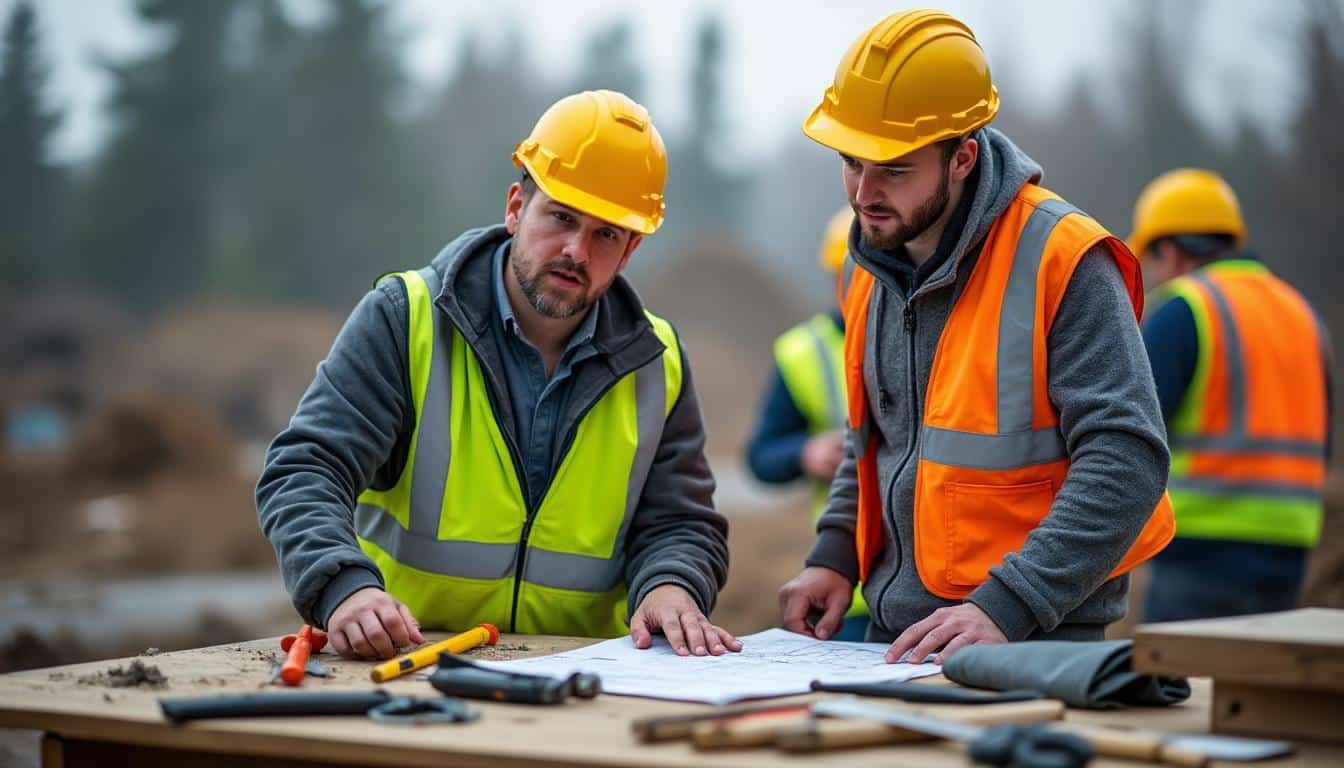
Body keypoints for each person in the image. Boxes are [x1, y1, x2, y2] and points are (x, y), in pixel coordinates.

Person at [257, 90, 740, 661]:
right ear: (516, 207)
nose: (576, 251)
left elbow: (682, 522)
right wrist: (345, 588)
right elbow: (305, 468)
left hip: (581, 682)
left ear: (630, 250)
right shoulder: (406, 318)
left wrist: (671, 586)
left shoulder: (657, 360)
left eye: (605, 234)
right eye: (561, 217)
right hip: (404, 664)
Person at [777, 9, 1176, 663]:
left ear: (962, 157)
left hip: (1035, 648)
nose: (864, 192)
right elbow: (876, 441)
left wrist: (1009, 604)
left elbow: (1126, 459)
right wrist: (834, 557)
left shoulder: (1064, 258)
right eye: (851, 163)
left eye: (894, 170)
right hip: (893, 647)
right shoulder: (868, 264)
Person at [1130, 168, 1331, 622]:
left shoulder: (1186, 307)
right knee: (1256, 686)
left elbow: (1133, 433)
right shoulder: (1302, 313)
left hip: (1198, 552)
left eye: (1152, 259)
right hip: (1290, 549)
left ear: (1170, 249)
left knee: (1178, 684)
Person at [745, 207, 869, 640]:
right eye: (851, 273)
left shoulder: (932, 334)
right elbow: (760, 458)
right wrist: (806, 452)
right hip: (847, 590)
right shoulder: (803, 353)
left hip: (942, 590)